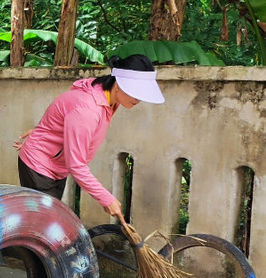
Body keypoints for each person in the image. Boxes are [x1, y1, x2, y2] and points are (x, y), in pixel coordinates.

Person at [13, 54, 164, 220]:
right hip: (40, 166)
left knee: (44, 224)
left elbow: (63, 119)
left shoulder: (107, 97)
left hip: (56, 164)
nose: (138, 99)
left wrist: (42, 133)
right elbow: (76, 164)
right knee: (43, 226)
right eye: (135, 93)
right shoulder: (88, 109)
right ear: (118, 85)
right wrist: (106, 198)